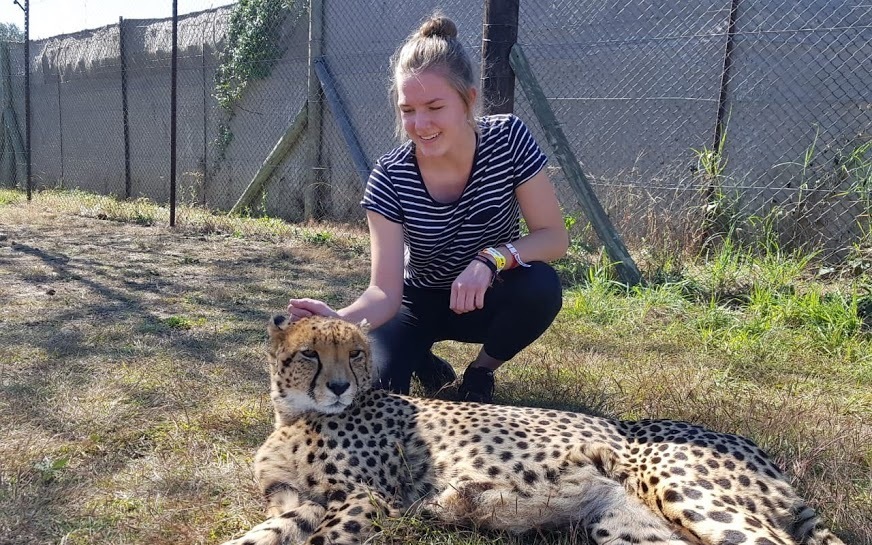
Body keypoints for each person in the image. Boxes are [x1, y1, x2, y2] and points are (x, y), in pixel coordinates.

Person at [287, 13, 568, 403]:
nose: (420, 124)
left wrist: (491, 259)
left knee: (541, 286)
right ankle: (420, 356)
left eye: (434, 106)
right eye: (408, 110)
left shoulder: (509, 139)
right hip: (417, 300)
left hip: (488, 292)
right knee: (379, 396)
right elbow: (384, 292)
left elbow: (553, 237)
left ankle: (480, 372)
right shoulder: (389, 176)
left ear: (468, 99)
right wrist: (337, 321)